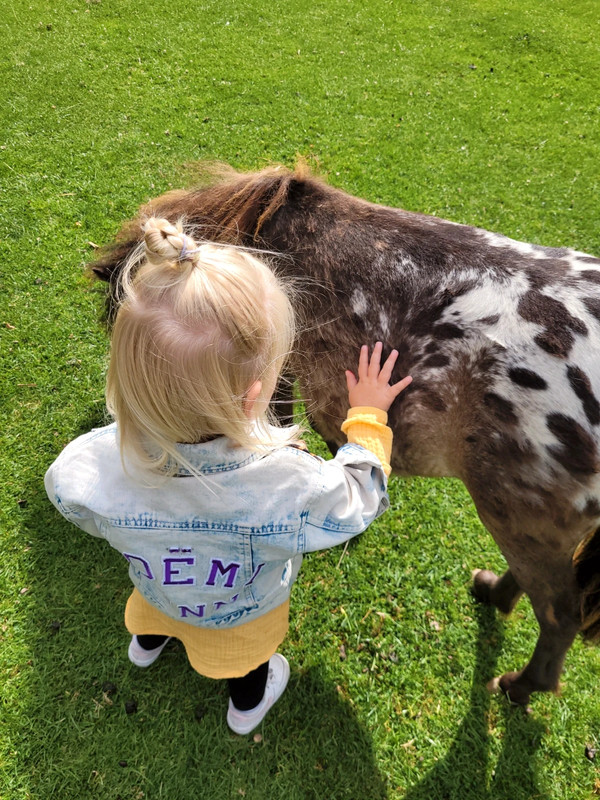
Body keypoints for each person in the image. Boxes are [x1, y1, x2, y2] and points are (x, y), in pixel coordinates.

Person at [45, 218, 412, 735]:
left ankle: (147, 645)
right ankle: (246, 708)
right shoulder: (286, 485)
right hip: (240, 616)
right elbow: (357, 499)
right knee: (247, 661)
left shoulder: (91, 461)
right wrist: (368, 418)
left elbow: (68, 496)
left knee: (155, 614)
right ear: (249, 397)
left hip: (156, 590)